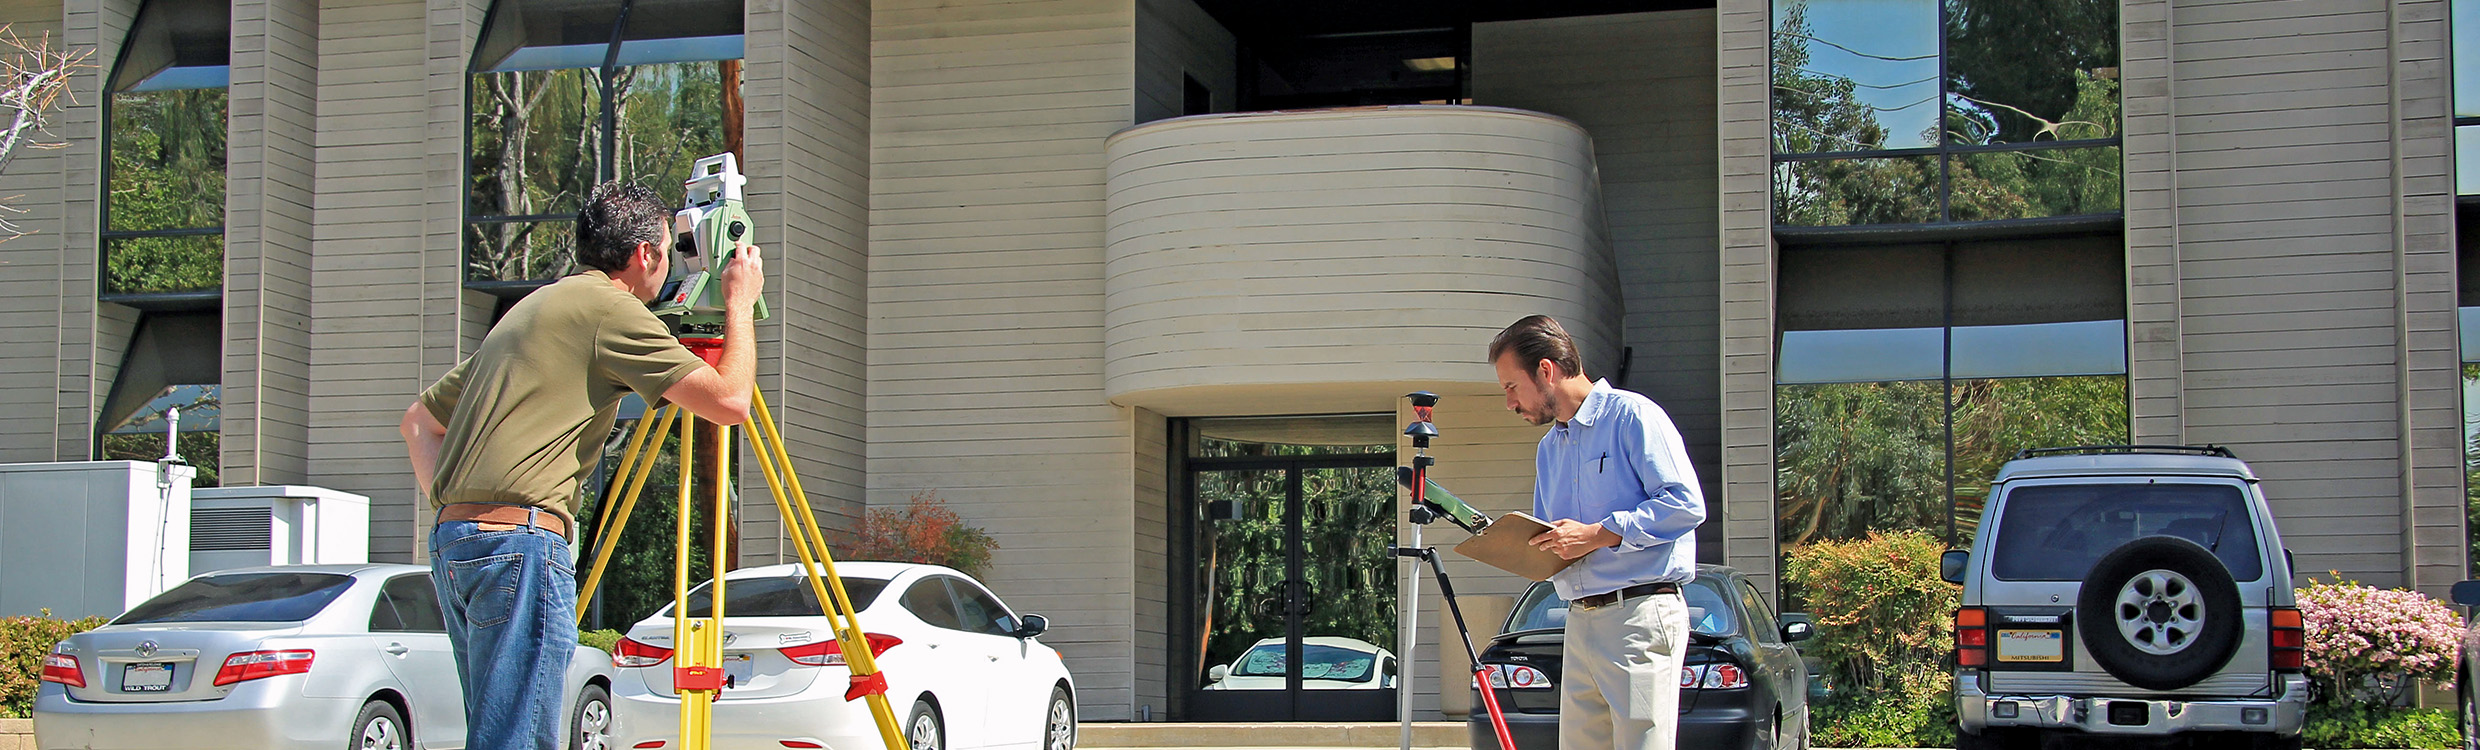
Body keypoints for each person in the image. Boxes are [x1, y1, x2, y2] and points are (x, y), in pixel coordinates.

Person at [400, 182, 764, 750]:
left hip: (458, 542)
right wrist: (739, 302)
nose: (671, 266)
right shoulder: (611, 311)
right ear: (644, 253)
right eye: (670, 251)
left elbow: (418, 421)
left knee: (499, 732)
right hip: (517, 545)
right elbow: (730, 402)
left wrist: (462, 511)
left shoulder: (537, 306)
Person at [1491, 314, 1705, 750]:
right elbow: (1556, 539)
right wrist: (1518, 546)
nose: (1509, 404)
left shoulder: (1634, 416)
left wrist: (1599, 533)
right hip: (1579, 619)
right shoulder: (1549, 448)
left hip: (1641, 615)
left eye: (1512, 387)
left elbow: (1686, 505)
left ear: (1546, 370)